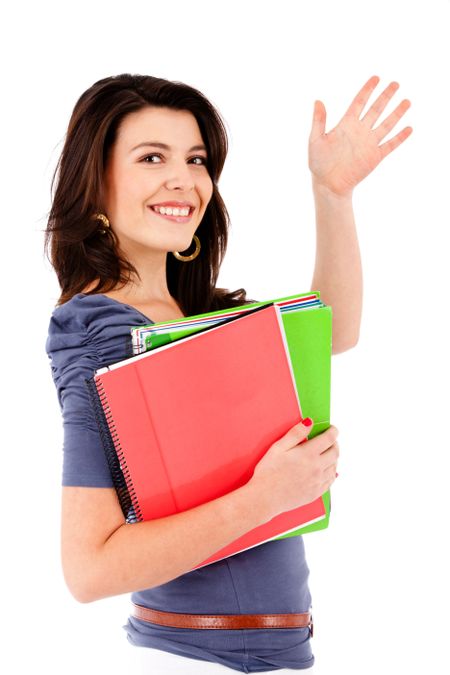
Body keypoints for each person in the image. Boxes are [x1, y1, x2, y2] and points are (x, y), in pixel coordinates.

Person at [44, 73, 412, 673]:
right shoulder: (97, 329)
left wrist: (333, 194)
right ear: (96, 184)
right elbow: (89, 570)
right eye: (151, 157)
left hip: (265, 654)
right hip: (198, 656)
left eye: (196, 159)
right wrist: (267, 497)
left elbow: (335, 331)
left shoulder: (198, 317)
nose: (184, 180)